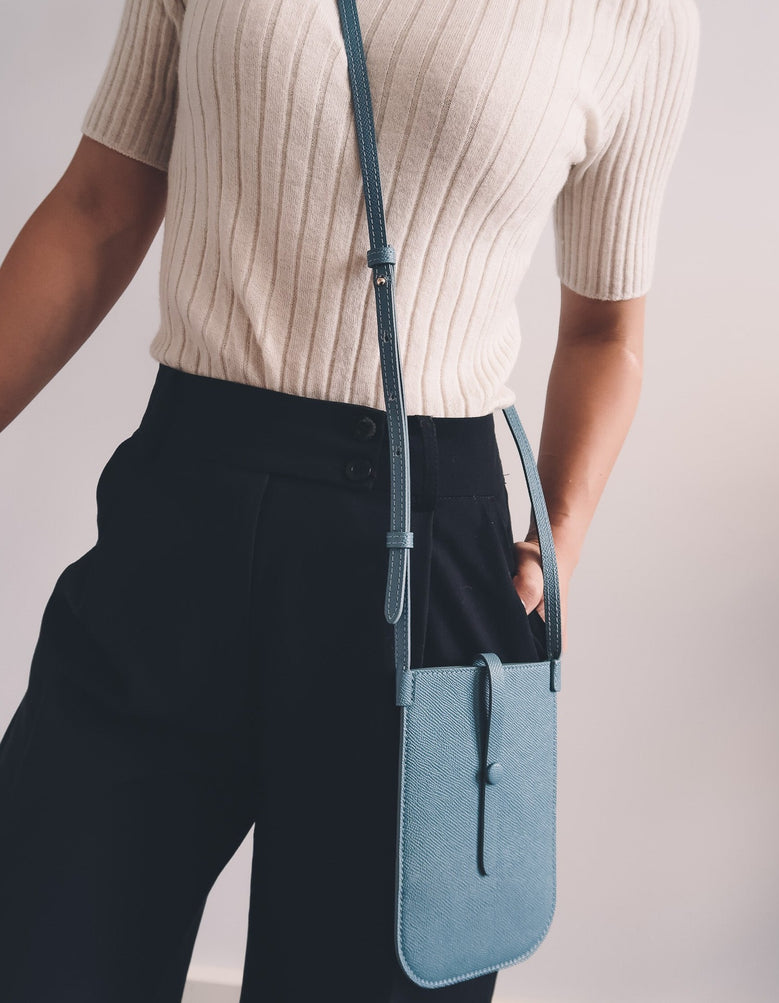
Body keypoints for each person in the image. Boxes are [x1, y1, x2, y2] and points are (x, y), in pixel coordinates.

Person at [0, 0, 700, 1000]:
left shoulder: (637, 17)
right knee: (37, 945)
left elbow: (603, 331)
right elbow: (98, 207)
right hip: (179, 510)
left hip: (429, 563)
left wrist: (559, 544)